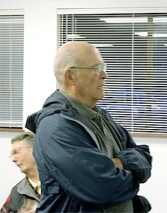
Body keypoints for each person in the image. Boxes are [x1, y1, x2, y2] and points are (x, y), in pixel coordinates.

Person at [25, 41, 152, 212]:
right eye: (96, 69)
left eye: (103, 67)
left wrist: (119, 163)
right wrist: (133, 176)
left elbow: (144, 159)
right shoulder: (56, 126)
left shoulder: (101, 117)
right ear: (70, 76)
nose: (104, 75)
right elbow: (102, 189)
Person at [1, 132, 40, 213]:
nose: (13, 159)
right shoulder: (16, 192)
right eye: (11, 155)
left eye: (16, 152)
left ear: (36, 149)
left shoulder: (63, 183)